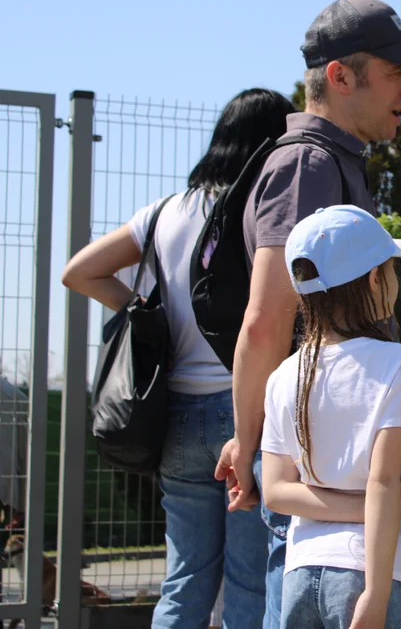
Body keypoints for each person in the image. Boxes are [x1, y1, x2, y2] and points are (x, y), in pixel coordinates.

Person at [214, 0, 401, 627]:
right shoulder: (309, 166)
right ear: (342, 76)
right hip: (327, 496)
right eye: (398, 73)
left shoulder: (332, 161)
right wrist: (249, 440)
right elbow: (266, 319)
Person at [61, 88, 295, 629]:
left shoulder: (164, 213)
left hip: (177, 418)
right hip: (248, 413)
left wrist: (147, 310)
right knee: (248, 578)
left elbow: (79, 271)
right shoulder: (265, 208)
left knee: (185, 578)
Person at [260, 205, 401, 628]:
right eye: (392, 269)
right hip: (379, 572)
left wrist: (355, 507)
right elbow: (383, 482)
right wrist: (376, 596)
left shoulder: (283, 376)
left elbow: (275, 491)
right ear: (375, 279)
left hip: (301, 573)